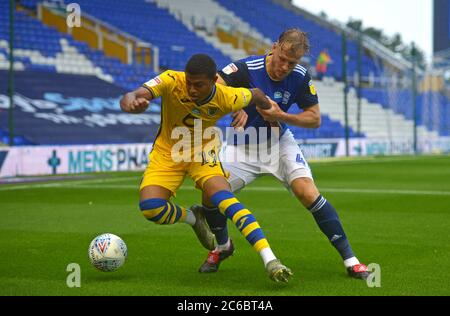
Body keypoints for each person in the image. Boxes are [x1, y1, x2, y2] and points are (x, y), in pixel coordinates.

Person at [197, 29, 370, 280]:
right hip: (241, 147)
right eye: (283, 59)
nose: (285, 67)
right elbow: (211, 91)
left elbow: (314, 118)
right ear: (274, 46)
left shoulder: (300, 76)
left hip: (279, 144)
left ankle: (351, 261)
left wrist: (282, 116)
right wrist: (234, 104)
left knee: (308, 193)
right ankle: (222, 247)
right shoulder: (245, 68)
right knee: (210, 195)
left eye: (293, 63)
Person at [119, 53, 293, 283]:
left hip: (203, 153)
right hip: (167, 153)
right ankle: (194, 219)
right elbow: (134, 94)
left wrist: (270, 115)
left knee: (226, 200)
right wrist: (131, 102)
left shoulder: (227, 96)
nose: (191, 89)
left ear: (214, 80)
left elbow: (258, 95)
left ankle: (270, 260)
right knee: (151, 208)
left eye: (198, 85)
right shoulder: (172, 79)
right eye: (189, 83)